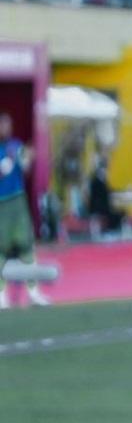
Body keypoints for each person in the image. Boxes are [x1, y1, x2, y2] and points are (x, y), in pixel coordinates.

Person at [0, 112, 49, 308]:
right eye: (2, 125)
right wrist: (9, 162)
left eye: (7, 125)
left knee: (27, 247)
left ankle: (33, 291)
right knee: (1, 250)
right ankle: (1, 295)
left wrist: (28, 157)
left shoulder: (16, 144)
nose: (6, 128)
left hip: (18, 203)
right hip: (1, 204)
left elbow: (26, 169)